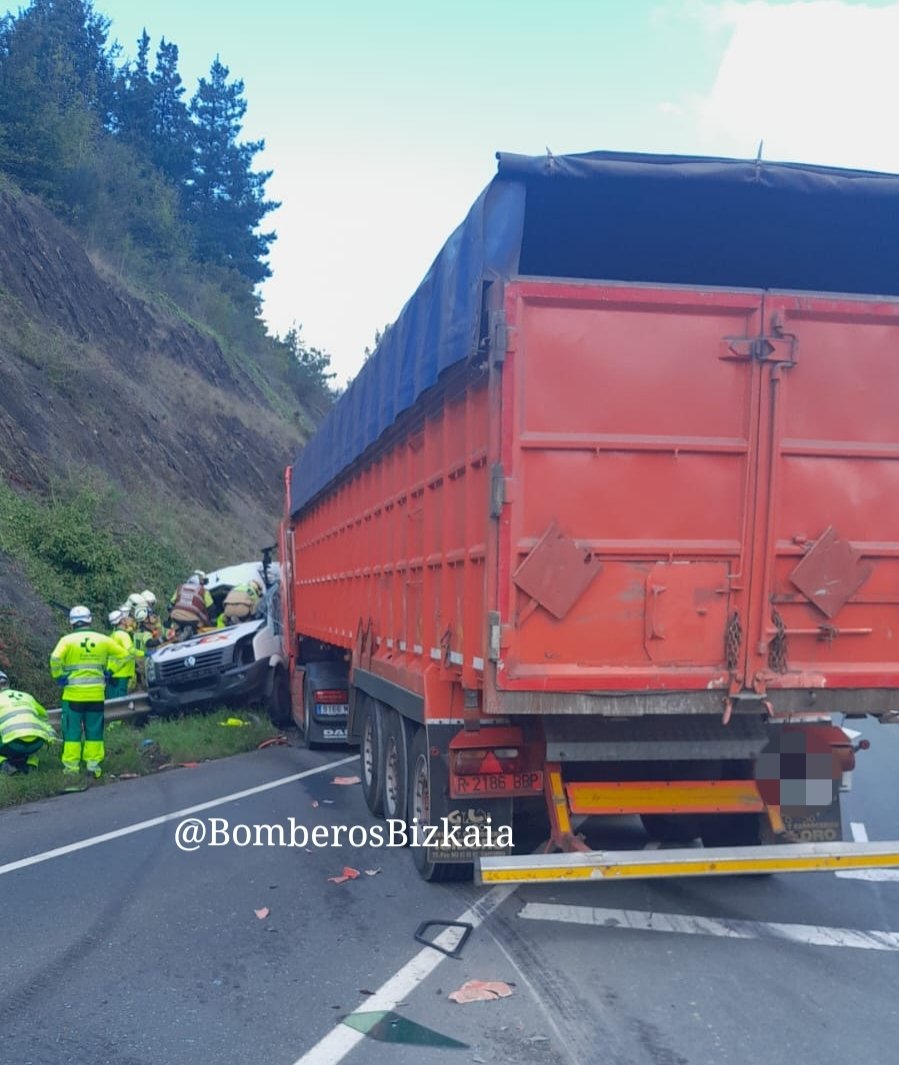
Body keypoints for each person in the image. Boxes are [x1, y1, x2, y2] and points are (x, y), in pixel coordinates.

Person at [49, 606, 124, 779]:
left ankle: (71, 769)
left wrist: (59, 676)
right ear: (90, 620)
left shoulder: (66, 641)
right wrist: (110, 671)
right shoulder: (103, 639)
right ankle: (93, 767)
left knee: (72, 732)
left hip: (72, 696)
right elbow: (124, 655)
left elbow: (55, 658)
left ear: (71, 622)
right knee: (94, 732)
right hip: (96, 695)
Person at [0, 671, 56, 774]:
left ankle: (4, 763)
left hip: (13, 743)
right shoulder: (26, 696)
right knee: (27, 747)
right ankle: (32, 764)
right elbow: (44, 715)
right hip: (37, 741)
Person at [106, 609, 136, 698]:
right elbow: (128, 655)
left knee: (113, 703)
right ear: (122, 621)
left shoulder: (113, 635)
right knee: (120, 704)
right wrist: (145, 653)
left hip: (113, 675)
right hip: (121, 674)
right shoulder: (124, 636)